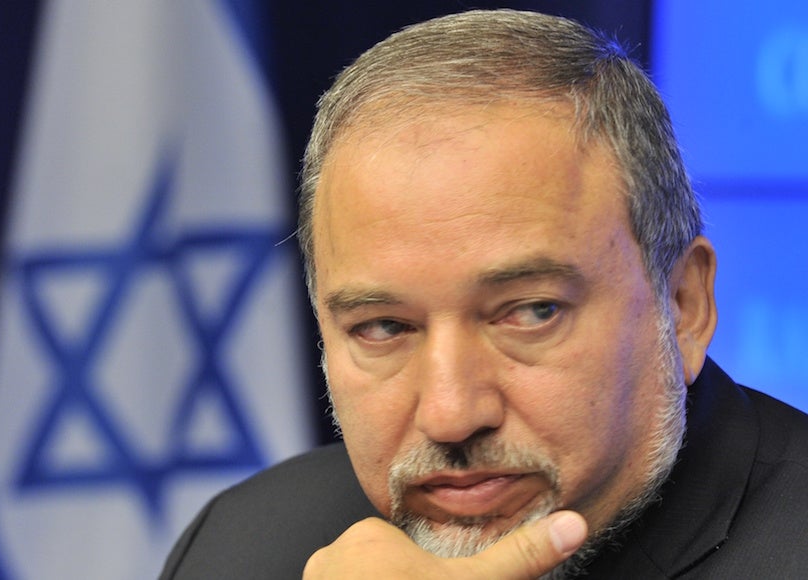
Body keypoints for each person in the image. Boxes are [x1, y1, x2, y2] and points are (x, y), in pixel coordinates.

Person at [160, 9, 808, 579]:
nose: (450, 415)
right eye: (384, 327)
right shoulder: (238, 546)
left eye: (530, 313)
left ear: (683, 306)